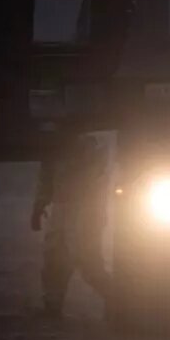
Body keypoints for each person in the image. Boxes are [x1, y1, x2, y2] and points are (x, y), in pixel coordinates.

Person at [31, 131, 112, 318]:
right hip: (62, 207)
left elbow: (97, 177)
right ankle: (52, 305)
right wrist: (39, 206)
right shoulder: (53, 146)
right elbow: (46, 177)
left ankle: (117, 301)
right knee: (54, 259)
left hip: (86, 208)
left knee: (88, 262)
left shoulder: (93, 143)